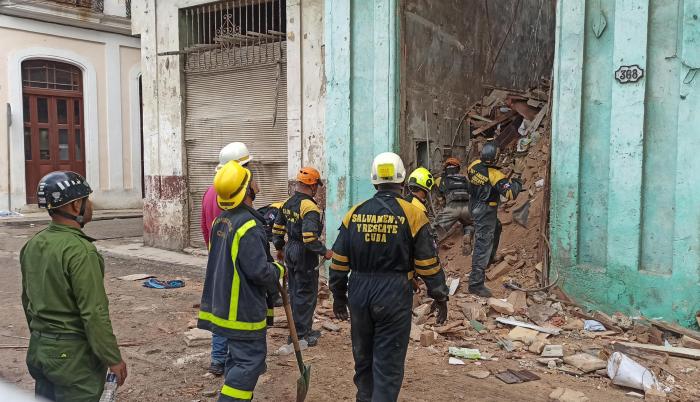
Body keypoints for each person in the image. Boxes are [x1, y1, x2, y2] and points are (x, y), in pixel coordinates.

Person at [330, 152, 449, 402]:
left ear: (374, 182)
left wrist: (339, 297)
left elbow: (339, 261)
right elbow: (428, 264)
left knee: (363, 359)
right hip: (393, 293)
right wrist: (439, 296)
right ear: (402, 181)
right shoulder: (414, 214)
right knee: (388, 365)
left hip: (359, 291)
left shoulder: (354, 213)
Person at [20, 171, 127, 401]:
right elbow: (94, 313)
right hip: (73, 360)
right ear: (75, 204)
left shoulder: (33, 244)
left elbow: (27, 300)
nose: (91, 205)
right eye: (87, 199)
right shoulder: (80, 251)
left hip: (39, 349)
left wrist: (45, 340)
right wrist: (112, 358)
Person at [198, 160, 285, 401]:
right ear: (247, 191)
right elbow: (259, 272)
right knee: (249, 363)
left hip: (223, 306)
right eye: (252, 180)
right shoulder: (249, 226)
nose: (257, 183)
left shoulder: (221, 220)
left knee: (235, 361)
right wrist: (278, 270)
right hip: (242, 311)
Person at [272, 167, 331, 346]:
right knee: (306, 294)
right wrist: (324, 251)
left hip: (291, 249)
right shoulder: (309, 207)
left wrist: (280, 248)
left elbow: (277, 230)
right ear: (312, 185)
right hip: (304, 254)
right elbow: (309, 238)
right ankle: (301, 335)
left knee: (295, 291)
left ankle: (299, 330)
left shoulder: (287, 203)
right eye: (317, 186)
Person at [466, 140, 523, 297]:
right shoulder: (495, 175)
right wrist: (517, 177)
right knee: (482, 244)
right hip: (486, 210)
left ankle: (489, 258)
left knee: (496, 227)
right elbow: (510, 194)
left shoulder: (474, 165)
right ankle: (476, 284)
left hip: (474, 204)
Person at [434, 157, 475, 255]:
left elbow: (440, 199)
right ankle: (468, 235)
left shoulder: (440, 180)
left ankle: (432, 250)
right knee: (470, 224)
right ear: (458, 168)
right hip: (466, 207)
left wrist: (445, 209)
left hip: (452, 208)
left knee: (435, 229)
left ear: (445, 168)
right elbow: (471, 193)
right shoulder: (465, 178)